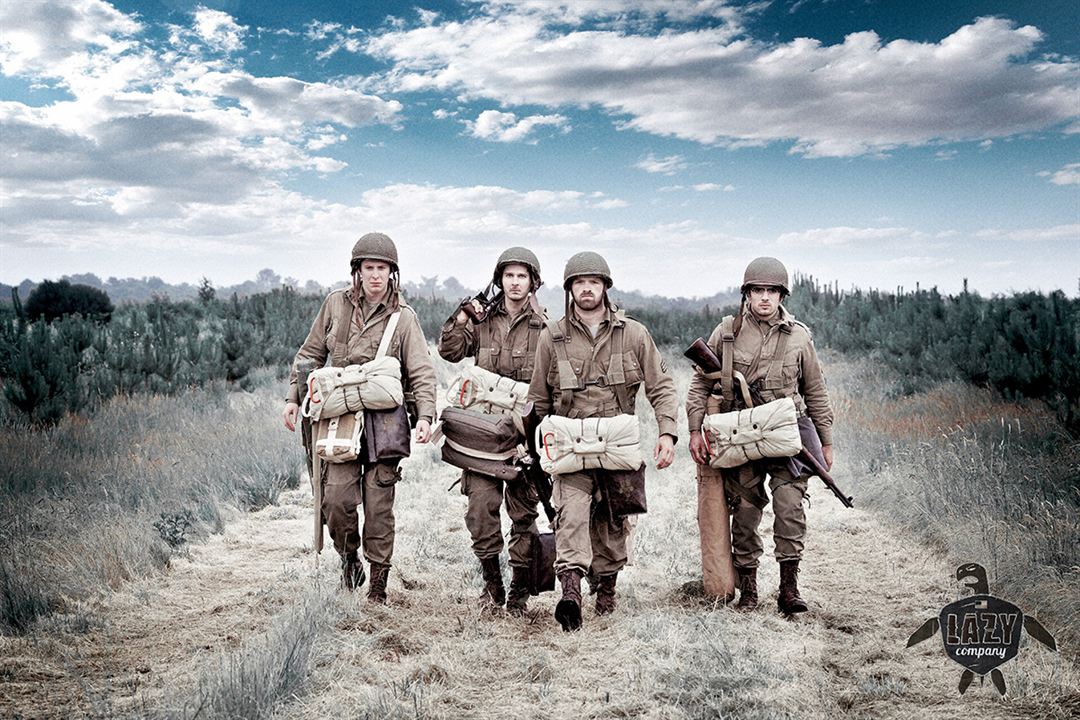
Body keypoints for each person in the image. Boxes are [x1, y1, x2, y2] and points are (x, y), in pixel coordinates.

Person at [282, 232, 437, 603]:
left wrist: (426, 417)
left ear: (392, 273)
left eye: (382, 268)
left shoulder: (404, 319)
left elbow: (421, 372)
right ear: (358, 271)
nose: (375, 276)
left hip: (385, 422)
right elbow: (309, 355)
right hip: (340, 417)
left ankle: (379, 586)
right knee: (335, 500)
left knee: (379, 506)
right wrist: (293, 397)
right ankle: (349, 559)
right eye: (369, 268)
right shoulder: (335, 305)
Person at [527, 251, 678, 631]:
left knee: (614, 520)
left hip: (618, 442)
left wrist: (667, 432)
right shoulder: (553, 337)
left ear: (605, 287)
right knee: (571, 515)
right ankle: (571, 593)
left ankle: (606, 589)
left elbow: (660, 387)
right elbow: (539, 400)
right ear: (570, 289)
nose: (587, 289)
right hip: (570, 442)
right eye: (579, 283)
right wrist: (537, 447)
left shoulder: (634, 333)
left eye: (594, 282)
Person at [686, 257, 834, 614]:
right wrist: (694, 430)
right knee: (746, 512)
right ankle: (749, 589)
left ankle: (788, 589)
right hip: (743, 434)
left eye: (772, 291)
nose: (765, 298)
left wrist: (826, 440)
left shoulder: (799, 336)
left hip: (788, 431)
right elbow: (699, 384)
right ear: (747, 294)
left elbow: (815, 389)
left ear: (782, 295)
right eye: (758, 291)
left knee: (789, 507)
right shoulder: (728, 331)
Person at [437, 247, 547, 615]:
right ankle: (492, 584)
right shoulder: (482, 320)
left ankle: (518, 589)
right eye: (508, 275)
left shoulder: (547, 327)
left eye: (522, 276)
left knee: (524, 512)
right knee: (481, 508)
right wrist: (463, 315)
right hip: (482, 435)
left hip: (523, 435)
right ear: (499, 279)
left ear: (533, 281)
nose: (515, 283)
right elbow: (449, 351)